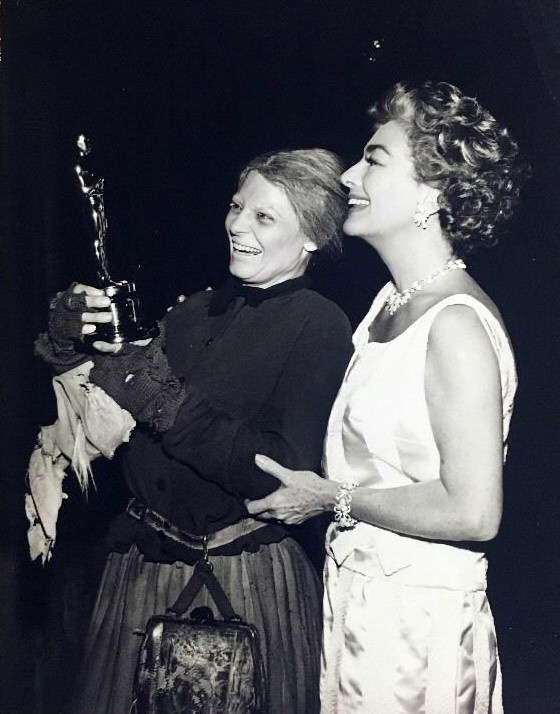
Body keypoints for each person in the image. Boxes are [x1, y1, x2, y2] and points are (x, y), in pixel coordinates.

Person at [35, 148, 354, 714]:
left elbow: (281, 472)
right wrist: (73, 346)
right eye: (237, 207)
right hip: (138, 569)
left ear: (311, 237)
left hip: (243, 581)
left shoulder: (319, 323)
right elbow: (111, 423)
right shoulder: (198, 308)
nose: (237, 225)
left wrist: (164, 401)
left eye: (264, 216)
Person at [246, 81, 531, 713]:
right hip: (359, 605)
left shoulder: (456, 325)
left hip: (418, 632)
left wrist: (333, 498)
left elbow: (476, 510)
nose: (349, 174)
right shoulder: (386, 305)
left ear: (434, 190)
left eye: (374, 159)